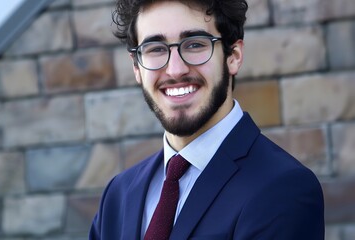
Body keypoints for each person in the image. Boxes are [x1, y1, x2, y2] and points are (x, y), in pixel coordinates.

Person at [90, 0, 324, 239]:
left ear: (233, 55)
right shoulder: (118, 195)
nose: (175, 70)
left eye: (194, 44)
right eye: (156, 48)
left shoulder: (283, 189)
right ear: (136, 67)